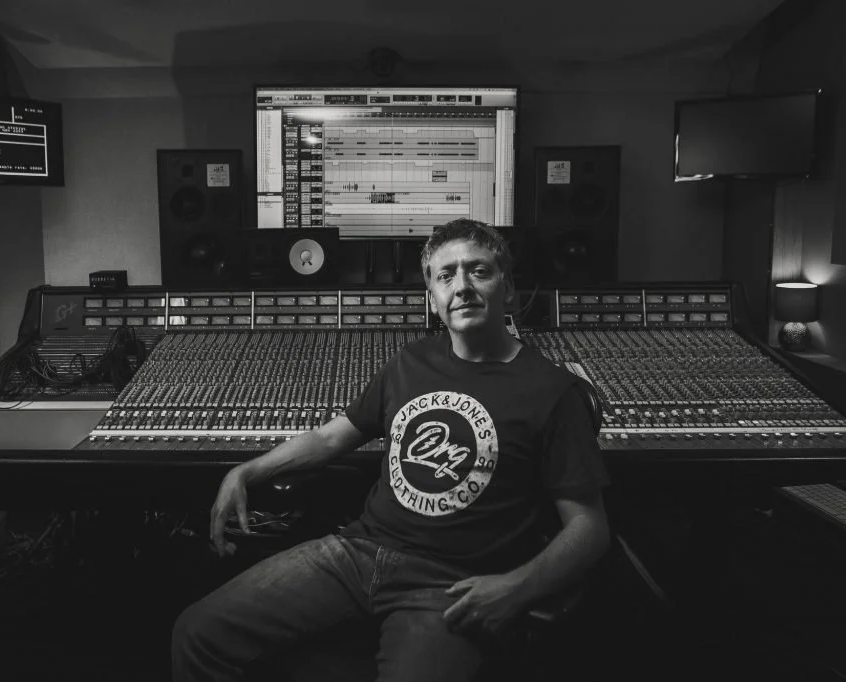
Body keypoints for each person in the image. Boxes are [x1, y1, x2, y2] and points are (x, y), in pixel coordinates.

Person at [171, 218, 611, 682]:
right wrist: (245, 472)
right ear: (433, 299)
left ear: (509, 289)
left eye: (478, 271)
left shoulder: (553, 391)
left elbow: (589, 527)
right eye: (446, 276)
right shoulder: (411, 362)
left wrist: (514, 590)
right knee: (196, 634)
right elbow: (331, 436)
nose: (461, 286)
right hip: (356, 553)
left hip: (449, 582)